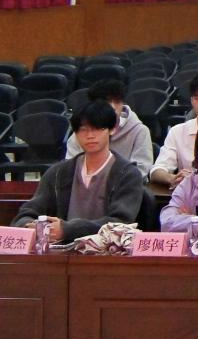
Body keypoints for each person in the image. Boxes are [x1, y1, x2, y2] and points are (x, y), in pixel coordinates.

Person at [12, 102, 143, 242]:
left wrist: (68, 230)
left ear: (112, 129)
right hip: (60, 249)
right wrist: (29, 226)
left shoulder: (127, 174)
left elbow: (121, 223)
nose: (90, 135)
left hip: (108, 250)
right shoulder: (58, 172)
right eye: (83, 130)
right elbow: (26, 213)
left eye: (97, 129)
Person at [65, 79, 152, 177]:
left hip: (125, 184)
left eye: (117, 101)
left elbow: (141, 169)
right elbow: (70, 168)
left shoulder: (140, 130)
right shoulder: (82, 132)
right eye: (107, 101)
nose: (113, 107)